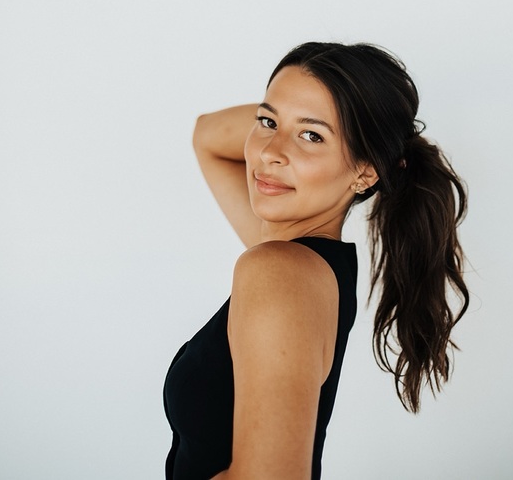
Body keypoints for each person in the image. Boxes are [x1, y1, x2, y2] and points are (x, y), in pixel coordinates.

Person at [163, 42, 469, 479]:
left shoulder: (280, 271)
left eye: (312, 136)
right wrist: (302, 115)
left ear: (365, 171)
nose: (270, 152)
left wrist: (303, 116)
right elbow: (206, 135)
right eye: (267, 122)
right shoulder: (302, 262)